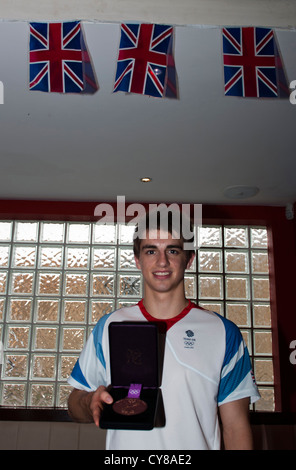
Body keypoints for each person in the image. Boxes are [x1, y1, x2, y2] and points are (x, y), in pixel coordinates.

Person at [67, 210, 260, 450]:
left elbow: (236, 426)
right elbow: (75, 403)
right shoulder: (108, 326)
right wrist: (89, 402)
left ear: (189, 259)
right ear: (137, 260)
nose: (162, 262)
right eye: (151, 251)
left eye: (172, 250)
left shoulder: (224, 332)